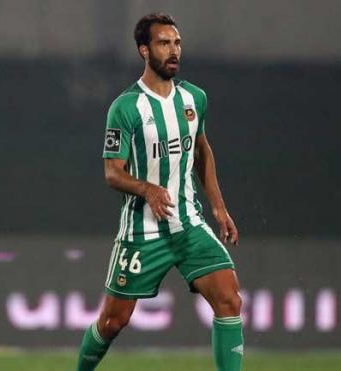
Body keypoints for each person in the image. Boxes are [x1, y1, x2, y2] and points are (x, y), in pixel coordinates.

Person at [75, 12, 243, 371]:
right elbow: (111, 173)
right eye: (164, 43)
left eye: (177, 43)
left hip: (188, 224)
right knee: (112, 322)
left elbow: (201, 151)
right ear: (144, 51)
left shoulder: (194, 99)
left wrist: (219, 207)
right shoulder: (125, 108)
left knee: (229, 298)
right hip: (142, 231)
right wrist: (147, 188)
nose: (174, 50)